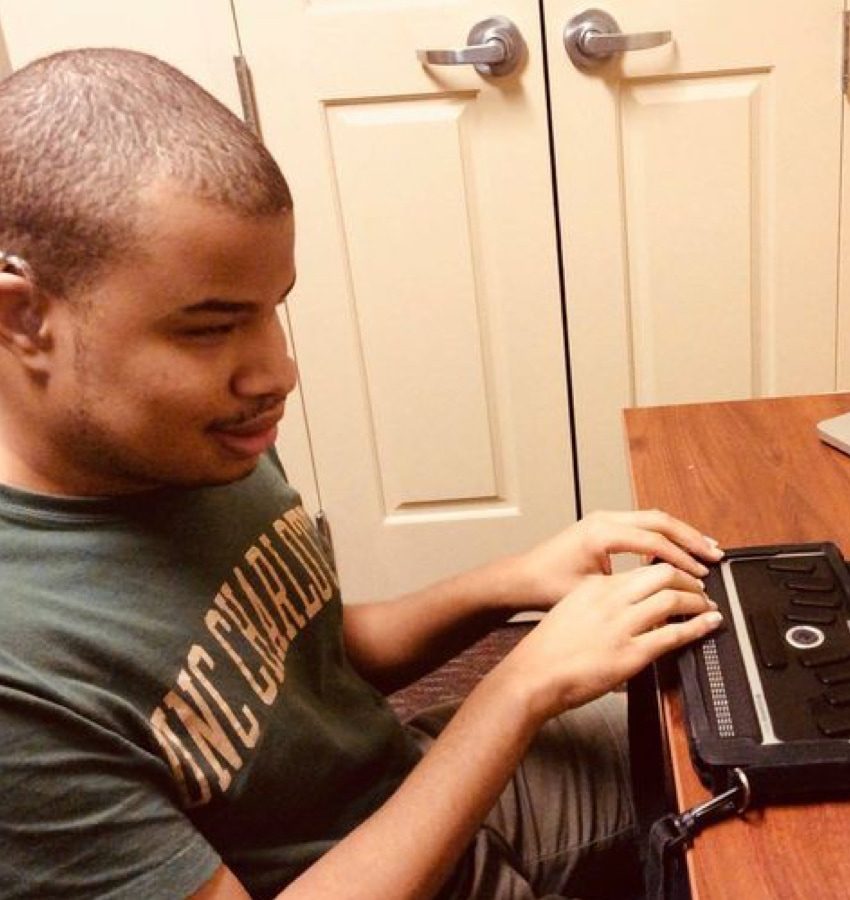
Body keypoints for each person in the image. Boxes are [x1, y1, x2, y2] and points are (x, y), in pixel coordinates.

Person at [0, 48, 724, 900]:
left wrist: (508, 583)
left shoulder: (188, 436)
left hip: (424, 790)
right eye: (209, 328)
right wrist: (518, 688)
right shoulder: (22, 679)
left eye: (274, 309)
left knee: (754, 719)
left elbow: (306, 654)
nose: (275, 373)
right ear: (24, 318)